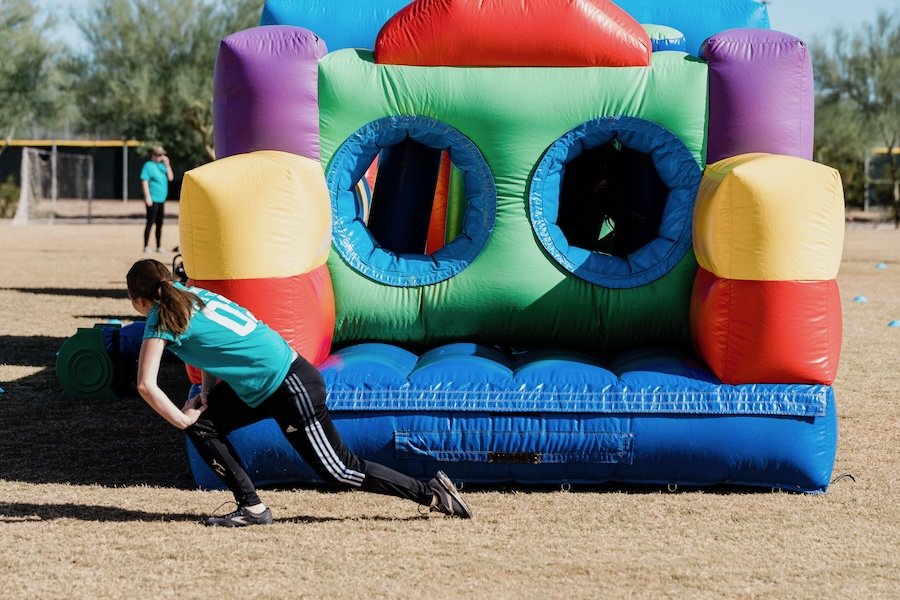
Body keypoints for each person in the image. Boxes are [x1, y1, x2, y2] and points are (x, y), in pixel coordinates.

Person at [126, 259, 472, 527]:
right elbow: (216, 349)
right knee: (205, 426)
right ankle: (252, 508)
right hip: (272, 382)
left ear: (139, 300)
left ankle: (432, 493)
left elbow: (146, 384)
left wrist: (181, 418)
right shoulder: (192, 295)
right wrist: (206, 394)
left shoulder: (160, 316)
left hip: (291, 385)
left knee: (340, 470)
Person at [140, 146, 174, 254]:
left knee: (160, 223)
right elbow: (144, 181)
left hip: (161, 199)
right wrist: (147, 196)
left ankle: (159, 246)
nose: (161, 157)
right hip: (153, 199)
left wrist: (167, 165)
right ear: (153, 155)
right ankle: (146, 246)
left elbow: (170, 178)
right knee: (150, 222)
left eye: (162, 155)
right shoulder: (148, 166)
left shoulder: (162, 166)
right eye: (159, 155)